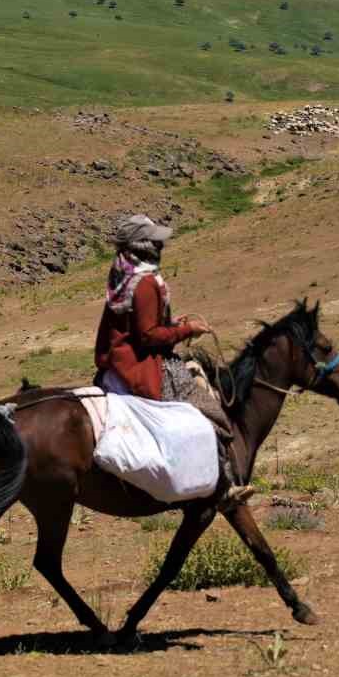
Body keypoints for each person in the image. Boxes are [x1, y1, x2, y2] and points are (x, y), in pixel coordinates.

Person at [93, 214, 252, 507]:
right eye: (156, 241)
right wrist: (187, 330)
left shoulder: (124, 274)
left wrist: (171, 323)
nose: (160, 246)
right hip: (144, 365)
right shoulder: (145, 282)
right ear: (144, 245)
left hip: (119, 360)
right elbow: (149, 336)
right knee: (212, 413)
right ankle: (221, 488)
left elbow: (141, 325)